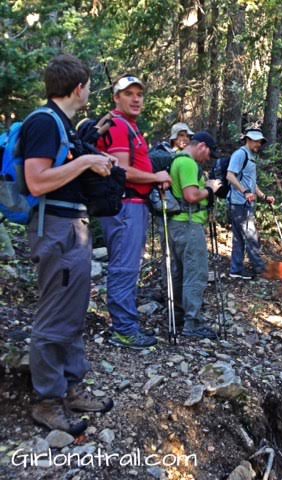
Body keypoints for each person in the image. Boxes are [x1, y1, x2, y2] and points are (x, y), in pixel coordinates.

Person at [23, 54, 116, 435]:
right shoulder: (44, 122)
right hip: (56, 229)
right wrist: (86, 163)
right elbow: (37, 181)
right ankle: (47, 400)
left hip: (72, 226)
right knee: (53, 316)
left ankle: (71, 387)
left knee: (73, 310)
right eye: (89, 86)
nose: (89, 92)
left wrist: (89, 154)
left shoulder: (62, 124)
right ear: (78, 87)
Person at [97, 74, 172, 349]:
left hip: (130, 205)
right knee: (125, 268)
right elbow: (121, 170)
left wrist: (154, 177)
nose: (136, 98)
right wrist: (155, 177)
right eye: (129, 93)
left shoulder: (130, 127)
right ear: (117, 98)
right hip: (125, 205)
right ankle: (124, 330)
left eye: (139, 93)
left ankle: (125, 325)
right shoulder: (118, 125)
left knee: (127, 266)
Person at [167, 132, 222, 338]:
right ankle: (193, 323)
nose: (208, 159)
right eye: (209, 154)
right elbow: (191, 196)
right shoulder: (188, 164)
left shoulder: (176, 160)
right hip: (188, 224)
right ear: (202, 146)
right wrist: (210, 189)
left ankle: (179, 313)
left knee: (179, 271)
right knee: (195, 272)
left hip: (176, 224)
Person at [226, 128, 275, 279]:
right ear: (248, 140)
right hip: (239, 203)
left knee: (239, 238)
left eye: (260, 142)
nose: (258, 144)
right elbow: (230, 175)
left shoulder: (251, 156)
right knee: (251, 236)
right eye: (256, 141)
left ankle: (236, 270)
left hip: (244, 203)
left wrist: (263, 196)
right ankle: (260, 269)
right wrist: (245, 192)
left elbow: (251, 182)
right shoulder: (240, 154)